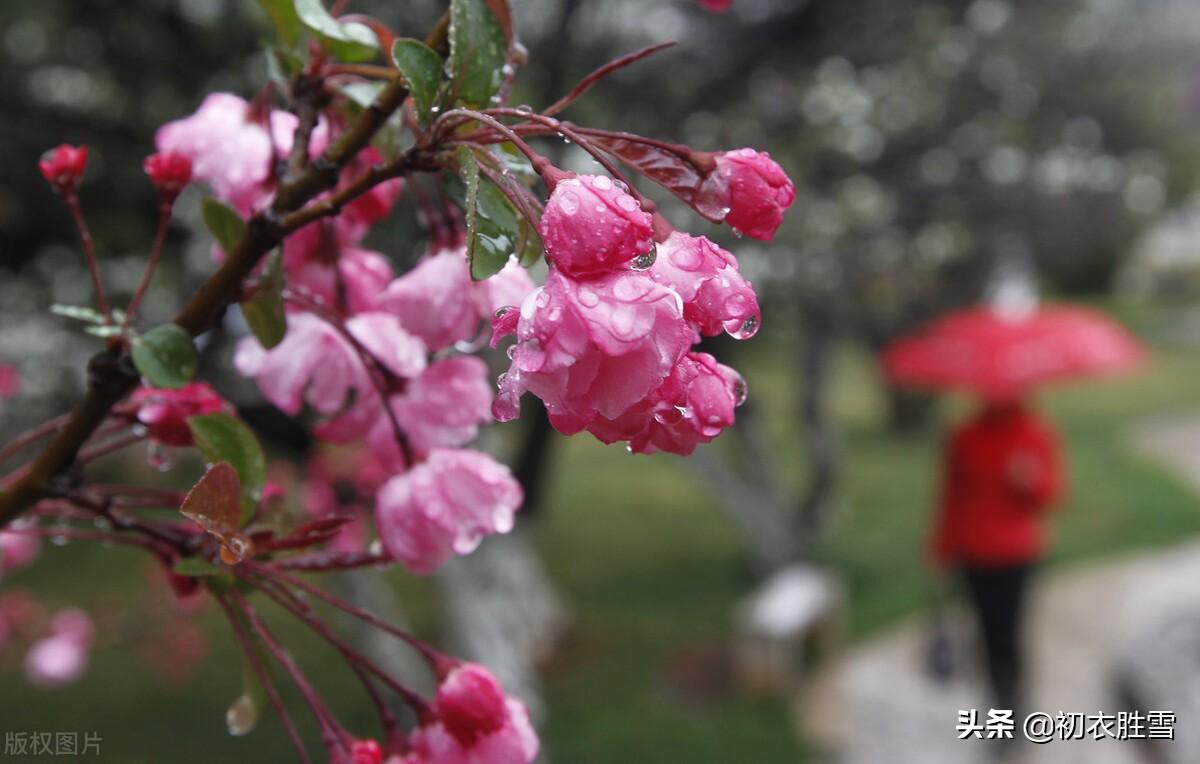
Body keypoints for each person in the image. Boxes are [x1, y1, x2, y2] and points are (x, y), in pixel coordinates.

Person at [930, 397, 1066, 713]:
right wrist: (941, 546)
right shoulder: (964, 435)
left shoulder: (1036, 433)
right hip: (974, 552)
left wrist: (1030, 482)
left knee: (1009, 634)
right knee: (986, 632)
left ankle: (1013, 706)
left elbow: (1053, 494)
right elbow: (951, 495)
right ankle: (999, 700)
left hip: (1016, 554)